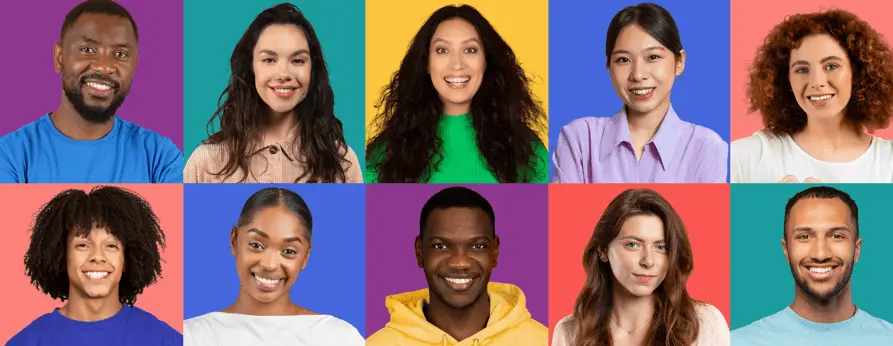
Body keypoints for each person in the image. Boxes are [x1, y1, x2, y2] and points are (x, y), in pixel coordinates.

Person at [0, 0, 182, 183]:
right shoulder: (11, 155)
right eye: (88, 50)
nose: (104, 67)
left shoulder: (160, 157)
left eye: (120, 54)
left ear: (135, 65)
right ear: (59, 58)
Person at [365, 187, 548, 346]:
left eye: (477, 246)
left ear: (495, 252)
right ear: (420, 252)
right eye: (440, 246)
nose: (460, 263)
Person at [366, 4, 547, 183]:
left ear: (485, 61)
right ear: (426, 64)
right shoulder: (387, 154)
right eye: (442, 50)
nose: (457, 64)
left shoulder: (527, 151)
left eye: (470, 50)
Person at [0, 186, 181, 346]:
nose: (97, 256)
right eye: (83, 245)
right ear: (62, 255)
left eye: (111, 245)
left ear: (127, 259)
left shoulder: (169, 345)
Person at [732, 186, 893, 346]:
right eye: (804, 237)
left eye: (836, 236)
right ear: (786, 250)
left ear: (857, 250)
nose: (820, 254)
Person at [183, 188, 364, 346]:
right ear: (234, 241)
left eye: (288, 251)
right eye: (256, 245)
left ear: (306, 256)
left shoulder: (341, 342)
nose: (269, 264)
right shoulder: (190, 339)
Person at [184, 3, 362, 183]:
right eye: (269, 60)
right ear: (251, 67)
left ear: (312, 70)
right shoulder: (205, 163)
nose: (283, 74)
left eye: (298, 60)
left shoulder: (343, 163)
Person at [552, 3, 727, 183]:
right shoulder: (580, 139)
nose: (638, 75)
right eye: (623, 60)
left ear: (679, 62)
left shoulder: (706, 147)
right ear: (609, 67)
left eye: (653, 57)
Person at [550, 188, 729, 346]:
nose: (648, 261)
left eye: (661, 247)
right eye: (633, 245)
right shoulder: (569, 333)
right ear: (603, 250)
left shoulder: (707, 324)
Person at [732, 9, 893, 183]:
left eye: (831, 66)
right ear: (786, 81)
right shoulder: (748, 157)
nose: (816, 82)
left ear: (857, 72)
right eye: (802, 70)